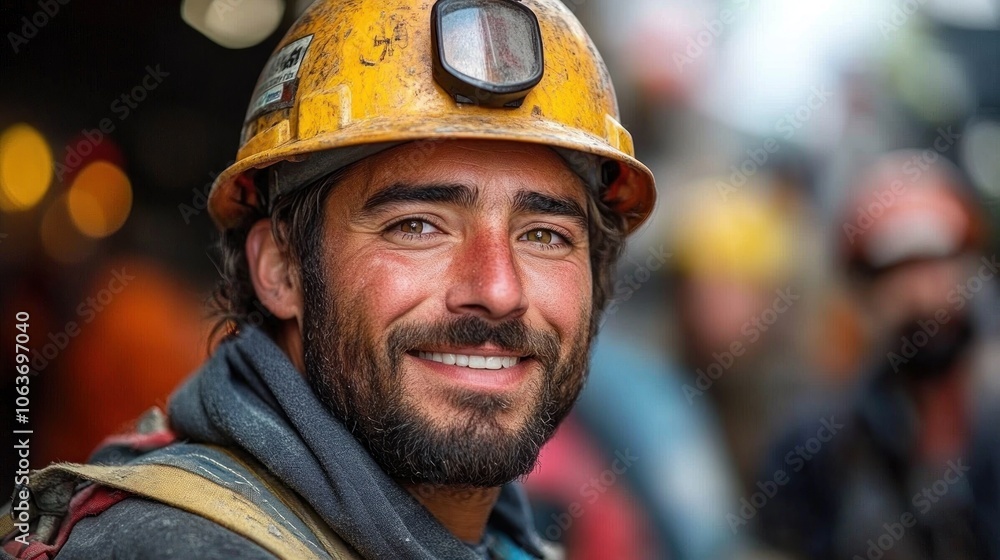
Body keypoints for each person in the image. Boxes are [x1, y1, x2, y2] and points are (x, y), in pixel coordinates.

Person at [0, 0, 656, 558]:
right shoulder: (176, 544)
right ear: (280, 269)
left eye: (545, 236)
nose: (498, 288)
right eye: (417, 225)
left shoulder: (509, 540)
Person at [756, 152, 998, 559]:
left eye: (936, 264)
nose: (923, 295)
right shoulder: (816, 446)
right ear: (861, 295)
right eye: (897, 272)